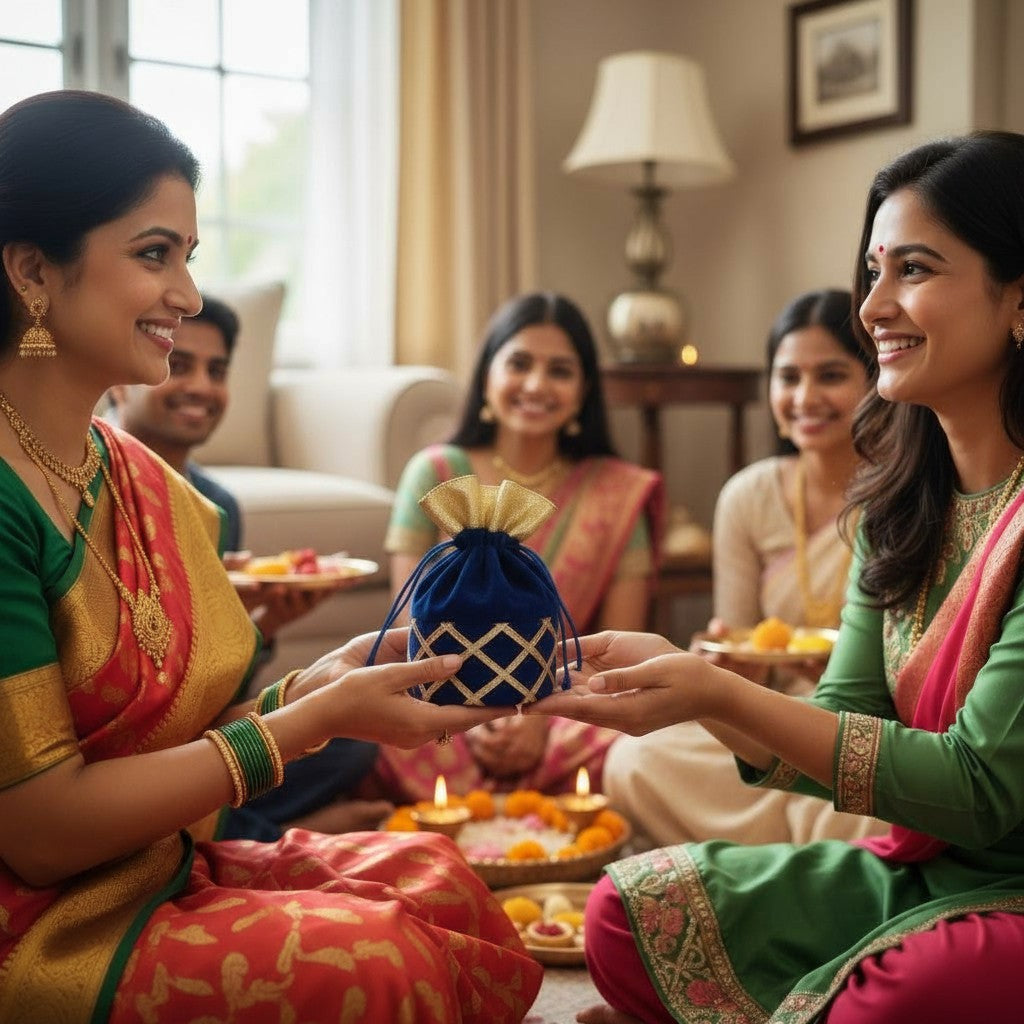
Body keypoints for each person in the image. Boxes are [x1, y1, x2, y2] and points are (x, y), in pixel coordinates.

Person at [0, 90, 541, 1023]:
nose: (189, 296)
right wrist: (305, 725)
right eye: (153, 254)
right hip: (43, 919)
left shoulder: (141, 479)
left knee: (439, 880)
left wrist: (326, 685)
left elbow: (184, 735)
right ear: (33, 271)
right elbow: (42, 833)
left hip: (151, 862)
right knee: (374, 964)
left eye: (188, 257)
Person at [529, 130, 1024, 1024]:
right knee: (629, 913)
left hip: (1014, 888)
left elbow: (985, 793)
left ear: (1021, 297)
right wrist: (703, 694)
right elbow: (847, 725)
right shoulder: (901, 507)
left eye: (912, 268)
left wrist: (715, 693)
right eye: (871, 271)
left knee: (900, 997)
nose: (873, 306)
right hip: (927, 869)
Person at [603, 288, 887, 847]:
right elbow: (740, 641)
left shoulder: (905, 491)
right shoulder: (748, 495)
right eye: (788, 377)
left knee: (868, 805)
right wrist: (726, 663)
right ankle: (790, 842)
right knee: (634, 763)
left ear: (874, 381)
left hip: (867, 727)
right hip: (769, 720)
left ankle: (785, 849)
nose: (805, 397)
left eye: (830, 375)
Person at [108, 297, 392, 840]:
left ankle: (247, 828)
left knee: (351, 744)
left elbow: (213, 700)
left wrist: (261, 627)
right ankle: (279, 835)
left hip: (198, 734)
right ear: (122, 380)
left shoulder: (217, 506)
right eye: (179, 362)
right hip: (127, 752)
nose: (201, 387)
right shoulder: (94, 486)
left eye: (216, 371)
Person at [367, 291, 665, 802]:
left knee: (636, 744)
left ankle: (454, 809)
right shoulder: (436, 472)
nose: (536, 385)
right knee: (381, 724)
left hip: (565, 711)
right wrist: (473, 710)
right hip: (443, 699)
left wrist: (540, 716)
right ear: (487, 375)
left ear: (583, 391)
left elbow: (615, 648)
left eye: (560, 371)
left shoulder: (616, 490)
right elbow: (406, 630)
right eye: (520, 364)